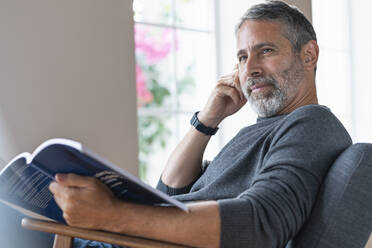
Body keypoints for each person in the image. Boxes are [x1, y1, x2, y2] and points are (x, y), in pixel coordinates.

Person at [49, 1, 352, 248]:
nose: (250, 69)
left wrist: (111, 215)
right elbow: (169, 192)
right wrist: (207, 121)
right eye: (242, 57)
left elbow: (260, 225)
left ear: (309, 54)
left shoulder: (312, 125)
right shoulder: (263, 131)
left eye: (266, 51)